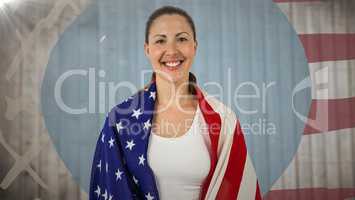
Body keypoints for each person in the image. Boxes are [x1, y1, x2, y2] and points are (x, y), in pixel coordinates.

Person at [89, 5, 261, 200]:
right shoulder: (119, 120)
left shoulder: (223, 118)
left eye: (181, 39)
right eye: (160, 41)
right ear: (147, 49)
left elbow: (238, 191)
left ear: (194, 46)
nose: (171, 50)